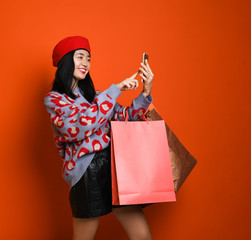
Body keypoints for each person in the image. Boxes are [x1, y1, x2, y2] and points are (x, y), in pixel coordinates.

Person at [44, 36, 154, 240]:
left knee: (141, 234)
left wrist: (145, 92)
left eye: (88, 58)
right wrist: (116, 89)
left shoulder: (97, 96)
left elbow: (125, 117)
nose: (85, 63)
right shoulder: (55, 100)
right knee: (84, 237)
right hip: (86, 172)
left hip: (115, 166)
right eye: (80, 57)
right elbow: (80, 125)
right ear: (66, 61)